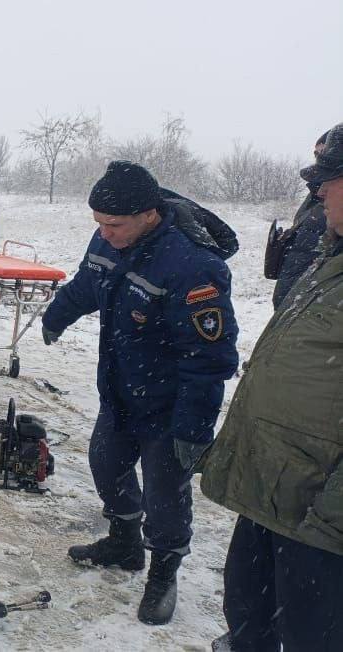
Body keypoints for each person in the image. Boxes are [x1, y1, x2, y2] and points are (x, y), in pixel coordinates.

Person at [41, 161, 239, 625]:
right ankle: (125, 543)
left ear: (148, 214)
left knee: (166, 495)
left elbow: (209, 358)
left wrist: (193, 429)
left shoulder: (192, 267)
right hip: (121, 390)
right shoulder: (111, 237)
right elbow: (90, 282)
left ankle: (163, 570)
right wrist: (58, 314)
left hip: (170, 407)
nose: (104, 233)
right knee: (105, 463)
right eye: (98, 224)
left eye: (113, 224)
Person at [201, 122, 343, 652]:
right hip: (277, 493)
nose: (320, 191)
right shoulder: (332, 259)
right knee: (248, 613)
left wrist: (330, 521)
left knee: (312, 634)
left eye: (332, 178)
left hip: (321, 518)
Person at [265, 130, 330, 308]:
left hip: (316, 309)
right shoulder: (314, 195)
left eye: (324, 152)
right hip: (293, 303)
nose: (318, 158)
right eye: (316, 154)